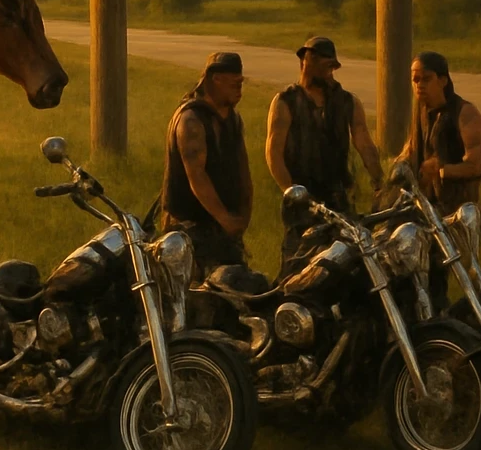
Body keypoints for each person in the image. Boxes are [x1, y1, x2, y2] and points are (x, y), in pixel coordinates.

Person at [266, 35, 381, 235]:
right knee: (302, 258)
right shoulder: (285, 102)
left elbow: (365, 145)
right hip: (302, 200)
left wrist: (379, 182)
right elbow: (274, 153)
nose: (329, 72)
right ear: (306, 62)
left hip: (338, 196)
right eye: (324, 66)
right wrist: (291, 191)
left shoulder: (347, 102)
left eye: (331, 67)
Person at [158, 51, 253, 279]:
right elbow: (197, 177)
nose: (239, 90)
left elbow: (243, 170)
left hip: (222, 229)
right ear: (215, 80)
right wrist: (226, 219)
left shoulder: (233, 119)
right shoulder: (190, 120)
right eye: (234, 84)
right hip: (188, 228)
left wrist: (243, 216)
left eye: (241, 84)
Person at [399, 51, 481, 213]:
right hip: (425, 206)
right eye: (415, 80)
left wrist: (442, 170)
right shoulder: (420, 110)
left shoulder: (465, 113)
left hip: (458, 211)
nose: (419, 85)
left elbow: (477, 165)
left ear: (443, 80)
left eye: (426, 79)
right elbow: (411, 148)